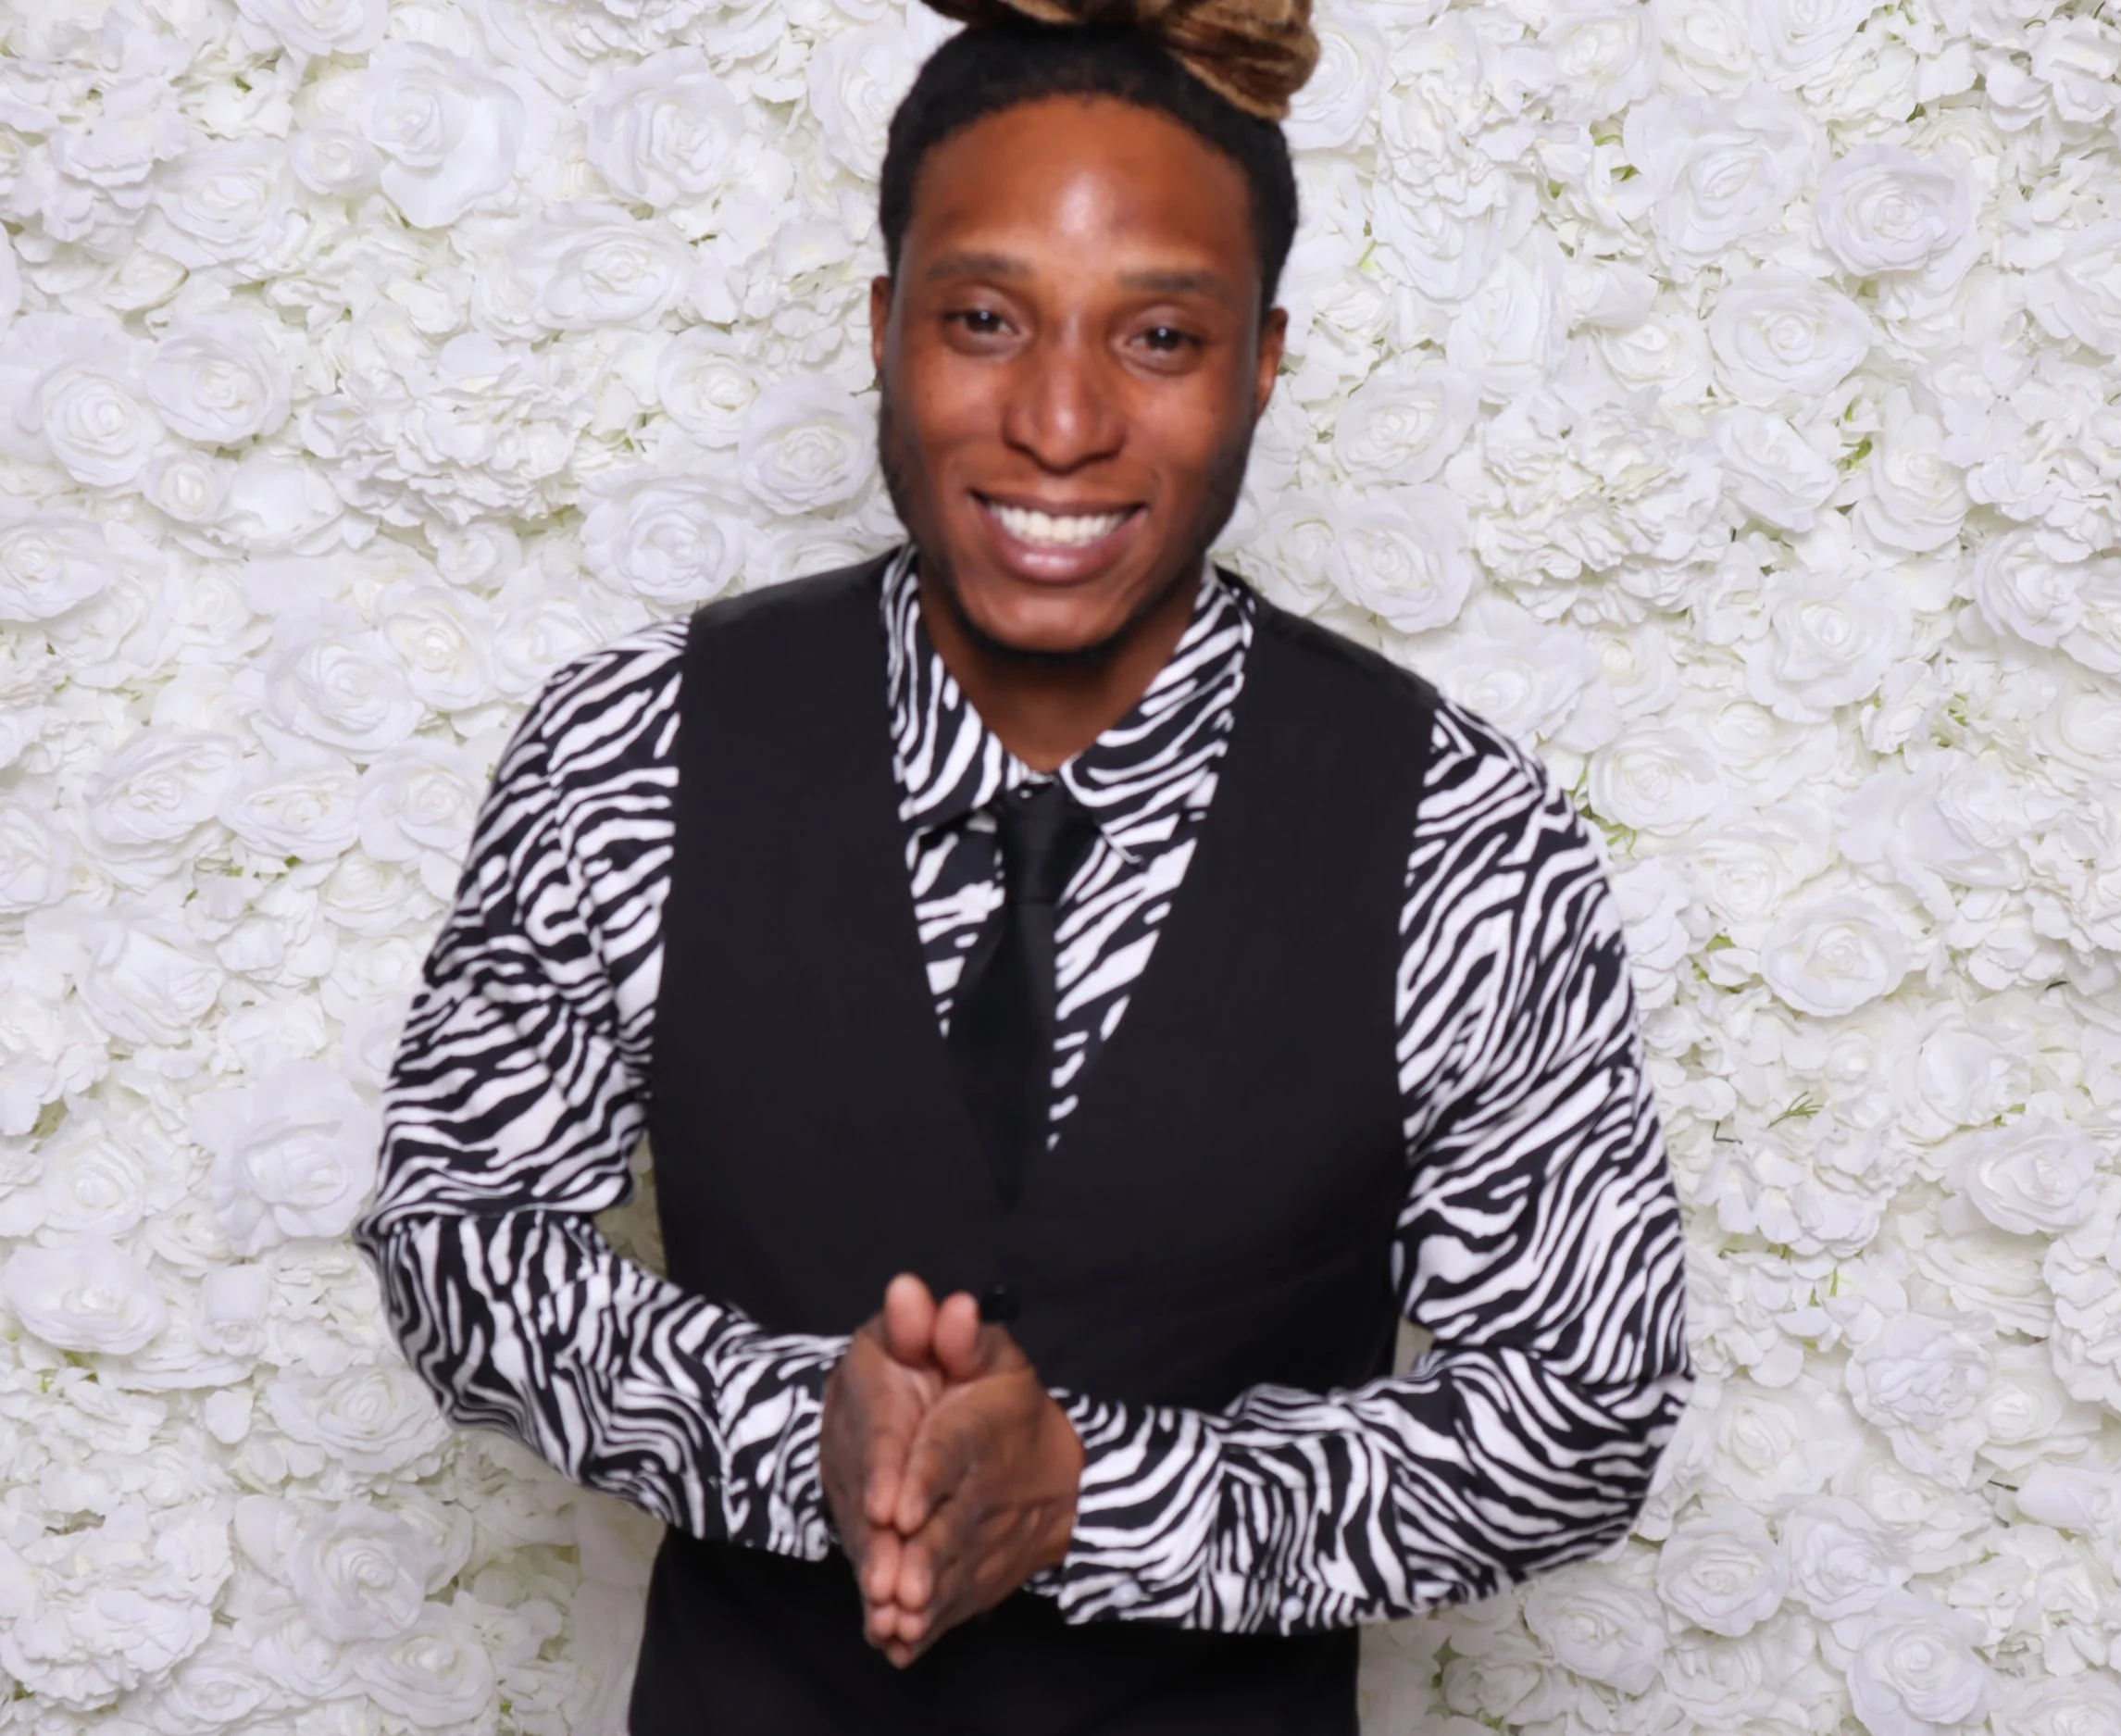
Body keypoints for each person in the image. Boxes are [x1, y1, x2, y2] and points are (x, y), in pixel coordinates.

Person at [353, 2, 1692, 1730]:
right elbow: (462, 1237)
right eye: (984, 320)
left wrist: (1084, 1496)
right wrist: (798, 1428)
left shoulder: (1459, 829)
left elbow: (1579, 1410)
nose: (1060, 422)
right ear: (881, 327)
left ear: (1263, 363)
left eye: (1158, 336)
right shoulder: (633, 749)